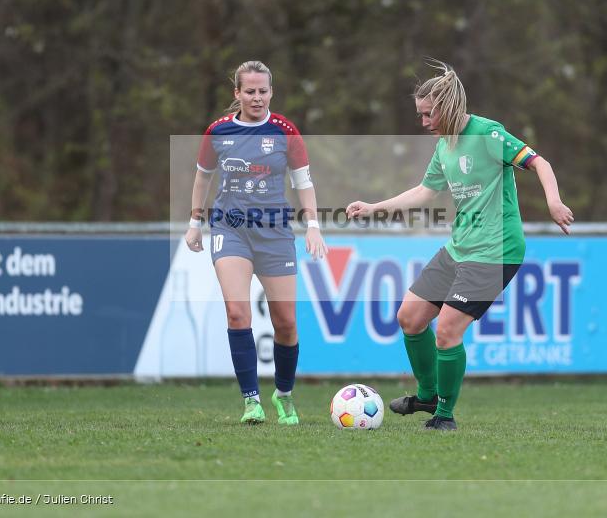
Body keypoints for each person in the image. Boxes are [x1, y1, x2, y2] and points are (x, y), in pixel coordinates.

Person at [347, 60, 573, 431]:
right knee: (410, 316)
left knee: (448, 329)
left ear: (447, 106)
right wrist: (375, 207)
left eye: (427, 114)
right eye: (419, 115)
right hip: (460, 247)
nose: (423, 123)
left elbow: (539, 163)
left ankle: (444, 416)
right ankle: (427, 394)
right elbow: (424, 191)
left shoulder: (488, 133)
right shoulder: (444, 146)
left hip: (496, 250)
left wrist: (553, 201)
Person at [185, 60, 327, 425]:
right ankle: (251, 401)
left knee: (286, 323)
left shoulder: (285, 132)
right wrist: (195, 222)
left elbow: (304, 184)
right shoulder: (218, 132)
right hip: (230, 230)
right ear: (237, 93)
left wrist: (313, 225)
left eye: (263, 91)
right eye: (249, 91)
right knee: (237, 313)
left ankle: (284, 395)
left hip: (275, 234)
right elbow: (202, 180)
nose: (257, 97)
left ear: (271, 92)